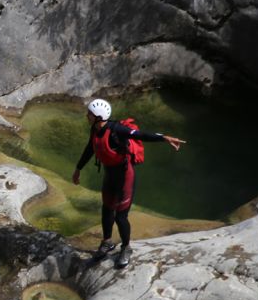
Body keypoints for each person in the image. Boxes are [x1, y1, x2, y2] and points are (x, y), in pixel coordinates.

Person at [71, 98, 185, 269]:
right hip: (110, 175)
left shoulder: (116, 129)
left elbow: (141, 135)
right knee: (106, 209)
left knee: (120, 216)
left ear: (98, 117)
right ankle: (107, 242)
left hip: (125, 176)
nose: (87, 116)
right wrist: (78, 169)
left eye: (90, 114)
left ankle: (126, 248)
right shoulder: (94, 130)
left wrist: (164, 138)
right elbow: (90, 148)